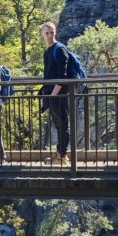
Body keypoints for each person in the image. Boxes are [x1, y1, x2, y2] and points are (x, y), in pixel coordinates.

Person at [38, 21, 72, 166]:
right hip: (52, 93)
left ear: (55, 32)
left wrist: (53, 94)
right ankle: (60, 154)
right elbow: (48, 75)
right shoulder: (47, 51)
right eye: (47, 33)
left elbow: (62, 76)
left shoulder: (59, 49)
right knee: (59, 125)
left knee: (63, 125)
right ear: (42, 34)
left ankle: (62, 157)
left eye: (52, 32)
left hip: (59, 94)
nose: (50, 35)